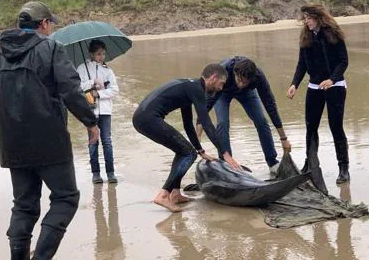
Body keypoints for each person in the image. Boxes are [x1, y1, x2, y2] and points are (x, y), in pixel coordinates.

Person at [0, 1, 100, 260]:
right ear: (44, 24)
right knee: (66, 198)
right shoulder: (51, 48)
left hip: (13, 144)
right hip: (50, 142)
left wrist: (11, 128)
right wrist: (90, 122)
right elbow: (70, 90)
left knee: (24, 206)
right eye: (50, 24)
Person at [132, 63, 241, 212]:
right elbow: (206, 123)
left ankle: (175, 193)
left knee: (184, 151)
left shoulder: (189, 87)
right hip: (148, 119)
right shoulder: (196, 89)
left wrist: (200, 150)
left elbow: (188, 124)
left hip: (141, 118)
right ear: (213, 78)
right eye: (221, 83)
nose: (221, 88)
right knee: (188, 154)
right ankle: (164, 194)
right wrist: (225, 153)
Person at [287, 4, 350, 186]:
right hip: (314, 87)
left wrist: (331, 79)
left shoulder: (333, 33)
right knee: (311, 127)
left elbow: (343, 61)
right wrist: (294, 84)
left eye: (309, 18)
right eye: (304, 19)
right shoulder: (306, 37)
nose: (306, 22)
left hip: (335, 86)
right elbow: (302, 64)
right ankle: (310, 163)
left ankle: (343, 168)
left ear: (318, 17)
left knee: (335, 126)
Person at [196, 56, 291, 174]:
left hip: (247, 94)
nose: (240, 84)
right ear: (234, 73)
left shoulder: (258, 77)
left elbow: (270, 104)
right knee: (222, 123)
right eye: (239, 80)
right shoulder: (223, 72)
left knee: (261, 120)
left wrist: (283, 138)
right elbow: (205, 106)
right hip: (223, 92)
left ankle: (272, 162)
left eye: (244, 82)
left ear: (252, 79)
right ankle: (226, 164)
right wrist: (198, 137)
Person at [77, 39, 120, 184]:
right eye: (98, 54)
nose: (101, 57)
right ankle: (96, 173)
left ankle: (110, 173)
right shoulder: (82, 68)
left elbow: (115, 90)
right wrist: (91, 83)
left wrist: (99, 94)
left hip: (106, 111)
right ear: (91, 54)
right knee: (92, 142)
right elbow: (78, 87)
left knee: (107, 141)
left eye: (103, 54)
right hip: (90, 112)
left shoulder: (108, 70)